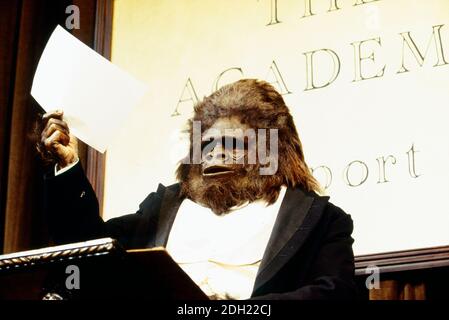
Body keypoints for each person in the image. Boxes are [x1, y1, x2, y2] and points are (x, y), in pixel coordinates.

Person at [37, 79, 356, 300]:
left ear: (270, 151)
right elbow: (87, 249)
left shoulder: (322, 219)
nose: (215, 153)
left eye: (233, 143)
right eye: (206, 144)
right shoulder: (165, 207)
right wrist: (67, 166)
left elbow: (335, 293)